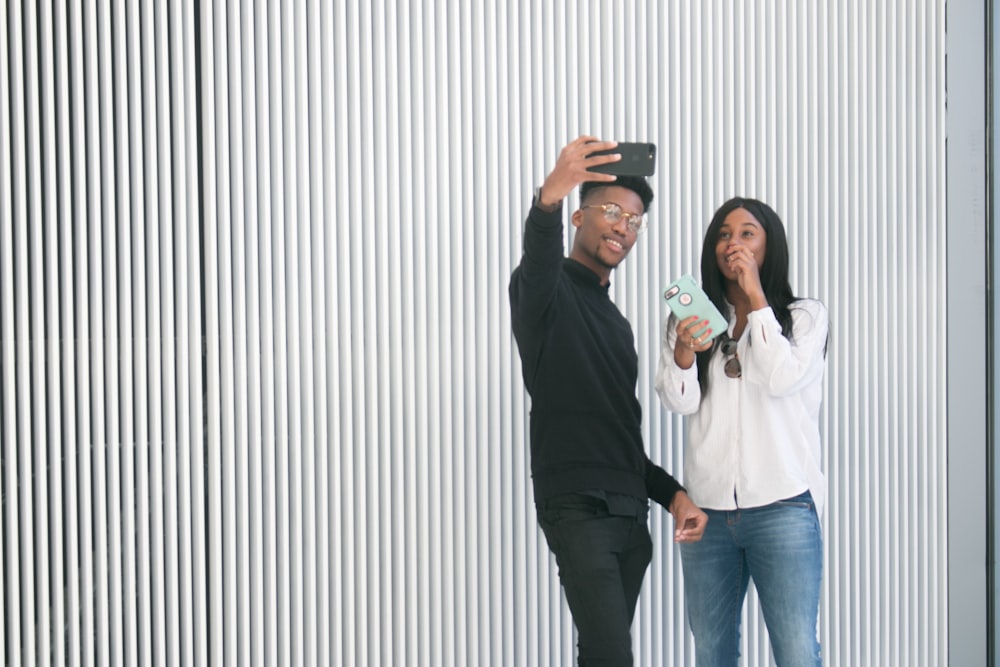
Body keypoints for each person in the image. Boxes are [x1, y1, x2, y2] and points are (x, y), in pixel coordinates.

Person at [509, 135, 708, 666]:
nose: (625, 226)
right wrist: (550, 194)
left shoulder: (619, 328)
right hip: (578, 505)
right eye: (613, 211)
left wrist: (674, 497)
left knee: (601, 656)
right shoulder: (544, 296)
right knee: (612, 656)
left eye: (636, 220)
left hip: (629, 517)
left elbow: (622, 442)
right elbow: (538, 257)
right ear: (579, 218)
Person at [654, 196, 828, 666]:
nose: (734, 244)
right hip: (707, 513)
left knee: (796, 652)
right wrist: (686, 352)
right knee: (712, 653)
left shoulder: (803, 317)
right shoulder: (689, 319)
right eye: (724, 235)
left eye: (747, 233)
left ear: (769, 245)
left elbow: (781, 378)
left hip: (784, 507)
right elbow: (678, 401)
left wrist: (757, 301)